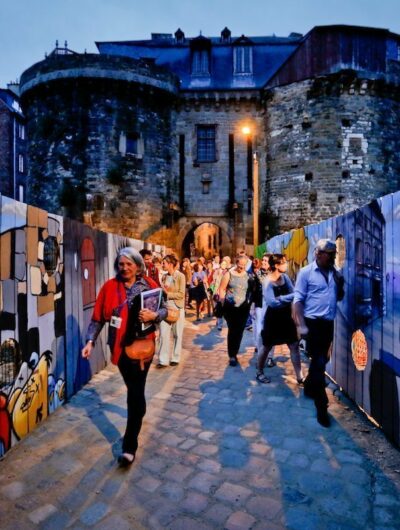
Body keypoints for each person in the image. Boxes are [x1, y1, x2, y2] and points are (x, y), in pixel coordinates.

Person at [81, 247, 167, 466]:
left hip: (143, 348)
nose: (125, 267)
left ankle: (129, 447)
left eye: (129, 264)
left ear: (138, 266)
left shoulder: (150, 285)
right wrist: (90, 341)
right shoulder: (109, 287)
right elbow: (98, 318)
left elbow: (165, 309)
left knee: (134, 393)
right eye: (121, 264)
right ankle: (140, 410)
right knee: (135, 390)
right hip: (119, 349)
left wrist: (155, 314)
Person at [293, 239, 344, 427]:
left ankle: (308, 385)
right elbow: (297, 300)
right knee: (320, 362)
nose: (332, 257)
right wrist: (301, 325)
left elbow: (339, 296)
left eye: (333, 254)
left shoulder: (335, 274)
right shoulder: (306, 273)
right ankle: (322, 406)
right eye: (329, 254)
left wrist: (340, 285)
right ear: (318, 253)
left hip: (328, 324)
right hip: (312, 323)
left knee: (321, 359)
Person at [256, 254, 304, 385]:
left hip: (287, 317)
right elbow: (272, 303)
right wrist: (287, 298)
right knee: (266, 346)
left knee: (294, 345)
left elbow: (293, 293)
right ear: (276, 265)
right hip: (273, 318)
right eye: (283, 263)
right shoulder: (267, 282)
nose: (286, 265)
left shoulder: (285, 277)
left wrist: (282, 299)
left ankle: (300, 377)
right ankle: (259, 372)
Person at [218, 255, 254, 366]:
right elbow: (222, 289)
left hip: (243, 308)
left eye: (244, 266)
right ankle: (232, 355)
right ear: (236, 263)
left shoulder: (248, 276)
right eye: (240, 265)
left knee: (239, 332)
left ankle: (235, 351)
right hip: (230, 308)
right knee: (232, 330)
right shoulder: (229, 274)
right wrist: (222, 302)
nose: (241, 268)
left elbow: (252, 290)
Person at [157, 254, 186, 368]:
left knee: (177, 334)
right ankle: (163, 360)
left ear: (170, 264)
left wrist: (167, 294)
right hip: (165, 309)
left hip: (177, 309)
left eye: (164, 263)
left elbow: (181, 294)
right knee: (163, 335)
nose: (162, 265)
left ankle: (175, 357)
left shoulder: (180, 276)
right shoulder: (164, 277)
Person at [250, 254, 270, 355]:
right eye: (263, 260)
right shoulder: (257, 274)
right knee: (258, 328)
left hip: (270, 305)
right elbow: (254, 291)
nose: (263, 262)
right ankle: (259, 348)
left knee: (270, 329)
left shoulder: (274, 275)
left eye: (266, 261)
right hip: (260, 304)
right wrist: (252, 306)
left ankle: (269, 355)